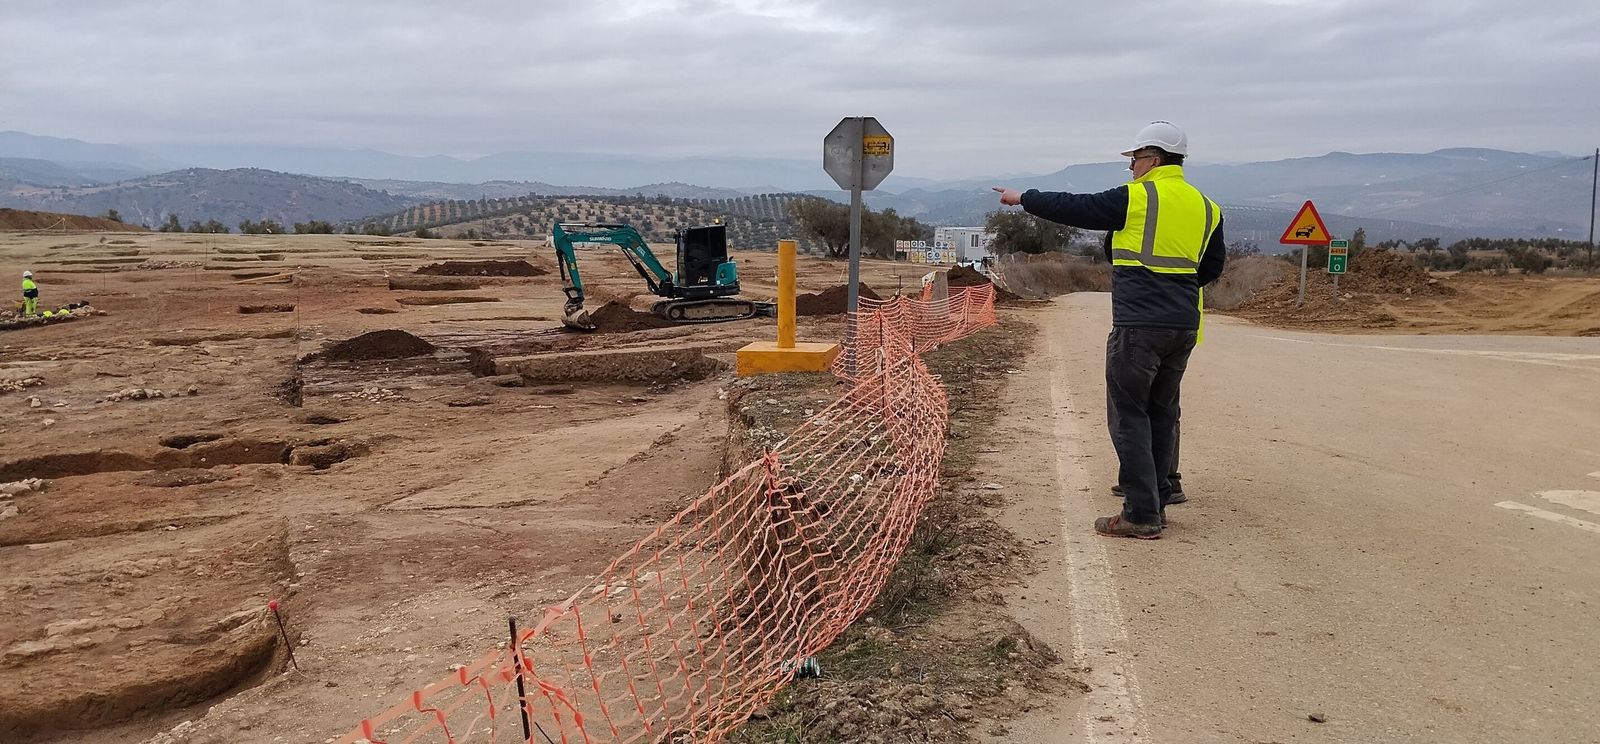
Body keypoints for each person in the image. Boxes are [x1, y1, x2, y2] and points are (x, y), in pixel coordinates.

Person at [994, 121, 1225, 539]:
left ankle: (1140, 513)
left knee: (1130, 415)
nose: (1132, 167)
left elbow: (1075, 206)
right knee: (1161, 411)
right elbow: (1210, 268)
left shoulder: (1139, 197)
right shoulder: (1208, 207)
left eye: (1134, 159)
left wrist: (1024, 197)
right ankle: (1157, 498)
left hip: (1139, 324)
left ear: (1152, 158)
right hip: (1183, 326)